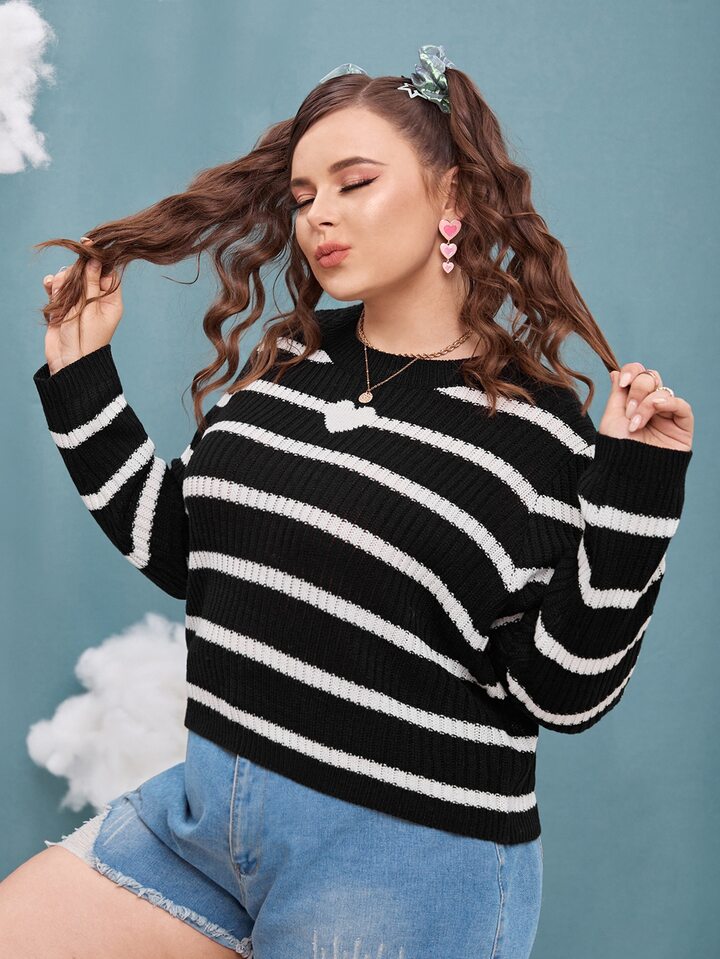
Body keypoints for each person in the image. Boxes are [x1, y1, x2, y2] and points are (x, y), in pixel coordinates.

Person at [2, 44, 694, 959]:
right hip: (209, 821)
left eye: (355, 182)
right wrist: (81, 375)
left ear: (451, 195)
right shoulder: (289, 366)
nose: (318, 215)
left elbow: (562, 691)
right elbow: (182, 548)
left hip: (404, 863)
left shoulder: (538, 431)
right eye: (302, 196)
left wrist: (638, 488)